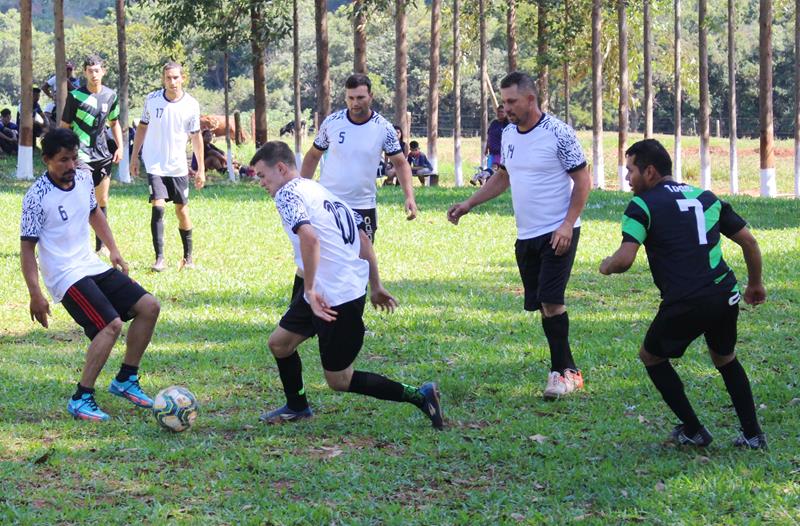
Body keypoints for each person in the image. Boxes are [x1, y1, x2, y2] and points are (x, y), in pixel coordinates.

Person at [250, 140, 443, 429]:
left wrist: (312, 289)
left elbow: (310, 238)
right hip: (331, 290)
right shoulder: (316, 189)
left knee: (340, 379)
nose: (261, 183)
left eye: (262, 176)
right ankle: (297, 406)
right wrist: (375, 285)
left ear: (280, 168)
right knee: (280, 344)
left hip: (336, 298)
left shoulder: (287, 194)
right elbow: (363, 237)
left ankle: (419, 395)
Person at [599, 139, 767, 449]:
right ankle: (753, 434)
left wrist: (607, 265)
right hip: (723, 293)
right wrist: (754, 284)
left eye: (630, 170)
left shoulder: (642, 205)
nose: (627, 178)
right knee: (725, 358)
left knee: (650, 356)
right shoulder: (705, 196)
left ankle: (694, 430)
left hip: (687, 300)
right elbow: (750, 243)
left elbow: (624, 260)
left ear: (649, 172)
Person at [447, 71, 591, 400]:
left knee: (552, 303)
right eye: (503, 101)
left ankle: (561, 375)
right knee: (542, 304)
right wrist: (469, 203)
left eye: (512, 101)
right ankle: (570, 370)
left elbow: (583, 181)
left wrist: (568, 223)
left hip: (558, 230)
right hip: (527, 234)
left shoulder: (558, 133)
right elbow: (504, 176)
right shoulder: (509, 134)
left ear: (530, 99)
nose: (506, 107)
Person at [20, 129, 161, 421]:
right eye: (63, 160)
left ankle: (126, 379)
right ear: (47, 160)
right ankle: (82, 397)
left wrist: (114, 250)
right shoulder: (36, 197)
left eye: (74, 158)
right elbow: (27, 250)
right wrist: (36, 293)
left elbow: (94, 212)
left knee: (149, 306)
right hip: (64, 274)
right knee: (111, 325)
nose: (71, 166)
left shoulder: (84, 178)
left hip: (89, 264)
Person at [301, 74, 418, 244]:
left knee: (363, 261)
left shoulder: (383, 128)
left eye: (361, 98)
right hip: (328, 203)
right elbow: (313, 156)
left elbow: (400, 163)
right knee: (323, 258)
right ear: (346, 97)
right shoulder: (332, 123)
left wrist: (409, 197)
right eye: (351, 98)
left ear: (371, 97)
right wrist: (302, 190)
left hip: (363, 205)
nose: (355, 103)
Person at [131, 61, 204, 272]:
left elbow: (196, 137)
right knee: (158, 206)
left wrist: (201, 169)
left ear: (183, 78)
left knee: (182, 210)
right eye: (168, 78)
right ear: (163, 79)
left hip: (177, 166)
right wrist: (135, 157)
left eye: (175, 77)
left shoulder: (191, 104)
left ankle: (188, 258)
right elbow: (142, 128)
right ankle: (160, 259)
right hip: (154, 163)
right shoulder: (152, 101)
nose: (172, 82)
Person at [60, 55, 124, 255]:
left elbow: (115, 123)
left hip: (103, 155)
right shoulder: (75, 96)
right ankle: (76, 244)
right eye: (90, 71)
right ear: (85, 73)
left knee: (102, 199)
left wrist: (120, 147)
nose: (94, 74)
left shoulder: (110, 96)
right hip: (81, 156)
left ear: (103, 72)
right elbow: (65, 127)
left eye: (97, 70)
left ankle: (101, 246)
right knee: (80, 199)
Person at [485, 104, 508, 170]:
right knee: (489, 171)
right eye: (498, 111)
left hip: (501, 154)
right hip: (491, 154)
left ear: (506, 113)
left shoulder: (507, 125)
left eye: (502, 112)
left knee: (496, 172)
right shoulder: (494, 123)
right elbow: (489, 136)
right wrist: (486, 148)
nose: (500, 113)